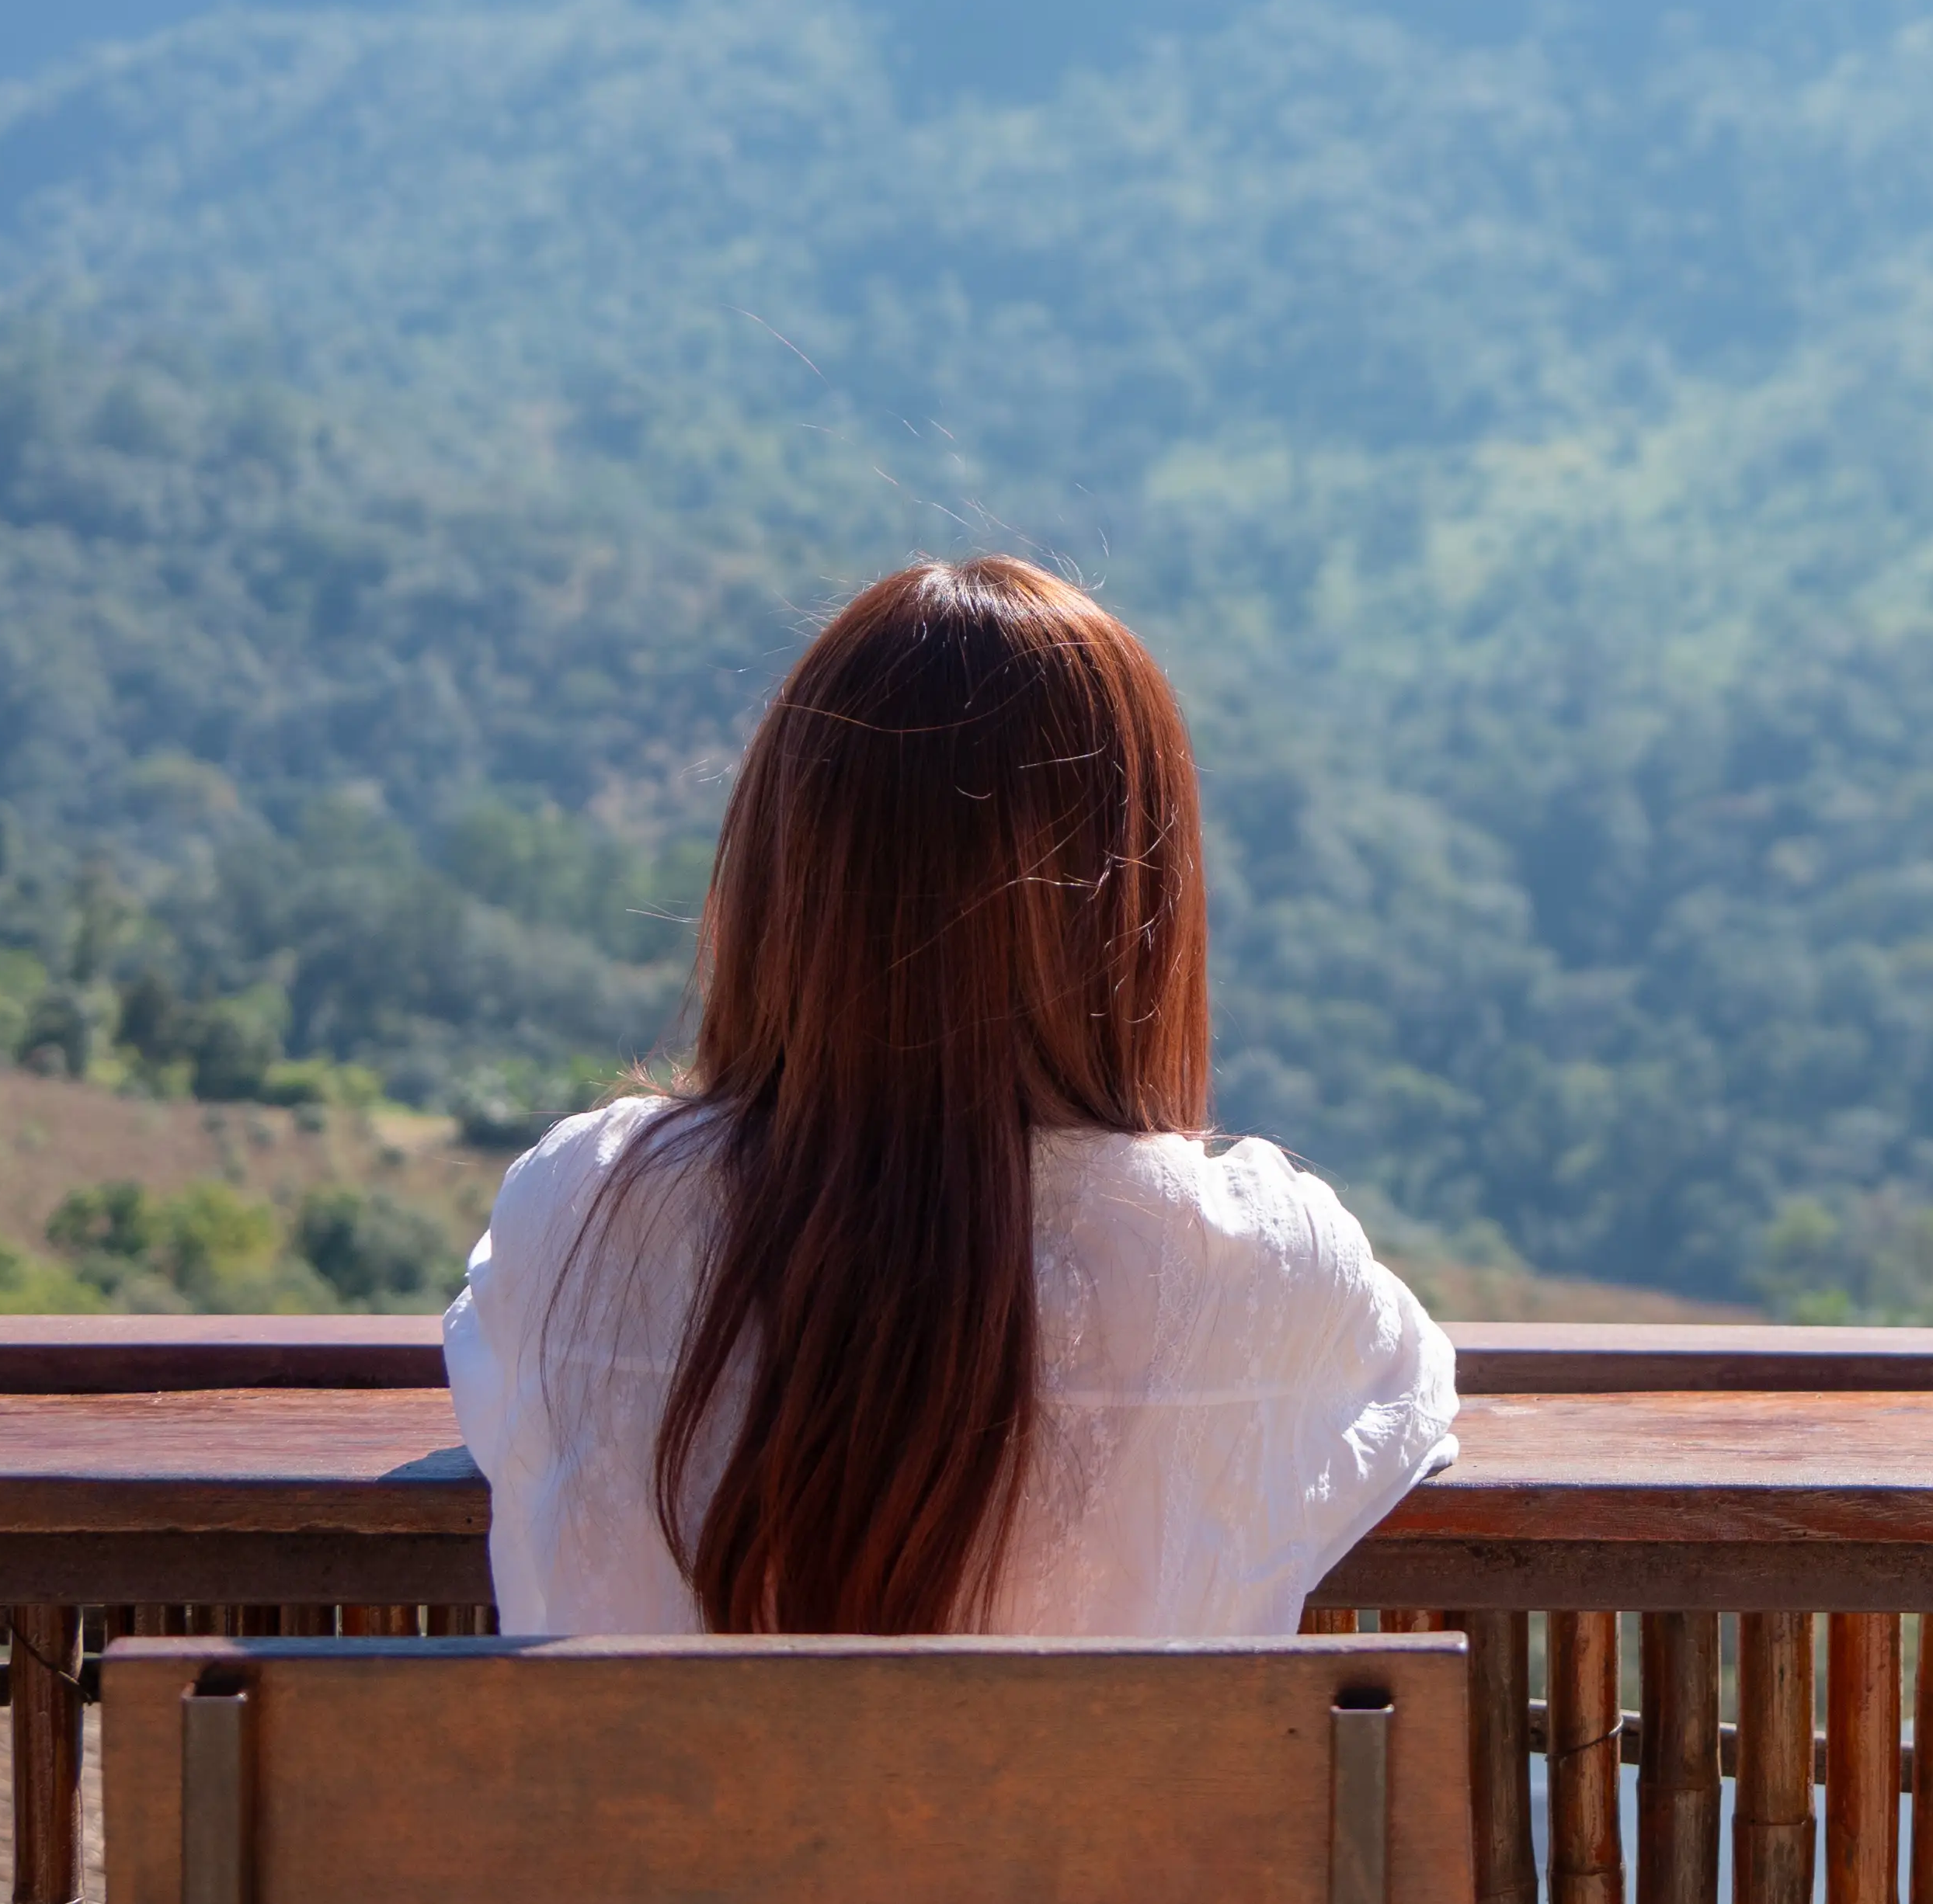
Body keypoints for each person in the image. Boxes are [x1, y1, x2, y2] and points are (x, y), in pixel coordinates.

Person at [443, 554, 1456, 1632]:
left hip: (653, 1807)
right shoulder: (1256, 1265)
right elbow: (1405, 1403)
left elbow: (495, 1380)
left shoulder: (582, 1218)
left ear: (787, 879)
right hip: (1099, 1810)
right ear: (1135, 903)